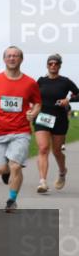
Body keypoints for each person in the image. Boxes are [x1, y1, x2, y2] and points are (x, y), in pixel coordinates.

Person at [0, 46, 42, 213]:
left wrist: (34, 112)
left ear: (21, 59)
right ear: (4, 59)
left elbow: (37, 103)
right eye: (9, 56)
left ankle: (11, 200)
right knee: (1, 169)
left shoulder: (30, 83)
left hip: (20, 131)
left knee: (15, 166)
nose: (12, 58)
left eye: (15, 56)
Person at [34, 53, 79, 193]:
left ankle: (62, 171)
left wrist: (68, 100)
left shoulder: (65, 81)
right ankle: (42, 182)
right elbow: (33, 96)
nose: (53, 66)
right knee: (43, 148)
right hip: (42, 118)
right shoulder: (41, 81)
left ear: (60, 66)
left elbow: (78, 94)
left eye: (56, 63)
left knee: (57, 151)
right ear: (47, 65)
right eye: (50, 63)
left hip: (59, 119)